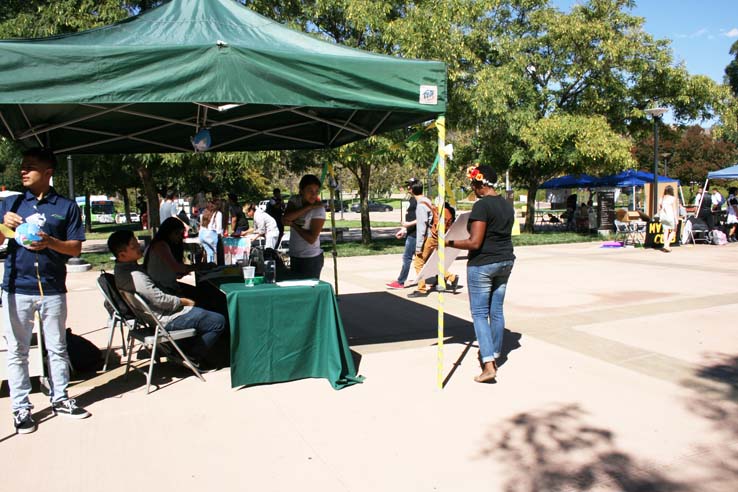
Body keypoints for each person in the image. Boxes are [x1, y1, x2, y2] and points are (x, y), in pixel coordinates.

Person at [0, 148, 90, 434]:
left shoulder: (66, 207)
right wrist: (3, 225)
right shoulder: (11, 203)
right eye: (23, 166)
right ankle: (21, 408)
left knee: (57, 347)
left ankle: (61, 398)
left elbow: (75, 247)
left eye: (30, 167)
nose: (23, 171)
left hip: (52, 288)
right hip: (17, 289)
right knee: (17, 350)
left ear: (48, 173)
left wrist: (50, 242)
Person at [108, 230, 225, 369]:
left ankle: (190, 349)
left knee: (204, 303)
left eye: (136, 243)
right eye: (133, 246)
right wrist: (182, 301)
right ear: (122, 254)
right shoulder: (135, 276)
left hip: (158, 315)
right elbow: (160, 299)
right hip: (167, 318)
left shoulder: (124, 270)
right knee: (218, 321)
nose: (139, 247)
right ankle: (192, 356)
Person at [445, 164, 515, 383]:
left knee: (479, 314)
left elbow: (474, 243)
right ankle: (494, 353)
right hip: (505, 261)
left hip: (483, 264)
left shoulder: (481, 206)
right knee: (496, 311)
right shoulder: (506, 205)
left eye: (473, 184)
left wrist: (447, 242)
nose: (472, 188)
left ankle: (488, 365)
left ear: (481, 183)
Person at [407, 186, 458, 298]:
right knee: (433, 262)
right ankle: (451, 277)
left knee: (418, 262)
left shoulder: (426, 207)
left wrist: (419, 246)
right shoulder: (437, 206)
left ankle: (422, 289)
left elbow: (422, 228)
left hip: (430, 238)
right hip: (438, 237)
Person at [283, 174, 325, 279]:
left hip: (310, 258)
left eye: (316, 191)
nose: (313, 194)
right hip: (295, 254)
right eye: (310, 190)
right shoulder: (295, 200)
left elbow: (311, 238)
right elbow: (285, 219)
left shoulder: (319, 209)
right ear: (301, 190)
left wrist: (293, 224)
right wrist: (308, 207)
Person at [144, 217, 196, 296]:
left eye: (181, 234)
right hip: (162, 289)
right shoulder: (160, 245)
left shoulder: (162, 244)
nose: (179, 236)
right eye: (176, 233)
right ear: (167, 232)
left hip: (166, 286)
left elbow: (176, 272)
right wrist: (198, 267)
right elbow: (176, 267)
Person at [386, 178, 419, 290]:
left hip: (415, 235)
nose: (408, 188)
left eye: (410, 185)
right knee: (422, 259)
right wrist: (403, 229)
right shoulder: (412, 199)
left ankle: (400, 282)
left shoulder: (419, 200)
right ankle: (448, 277)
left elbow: (422, 218)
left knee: (407, 258)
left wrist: (408, 224)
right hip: (411, 232)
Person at [658, 185, 678, 252]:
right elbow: (674, 209)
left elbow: (659, 207)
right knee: (674, 230)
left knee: (666, 230)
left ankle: (665, 245)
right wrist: (676, 219)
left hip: (663, 216)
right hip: (670, 216)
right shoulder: (673, 198)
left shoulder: (662, 198)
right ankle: (667, 245)